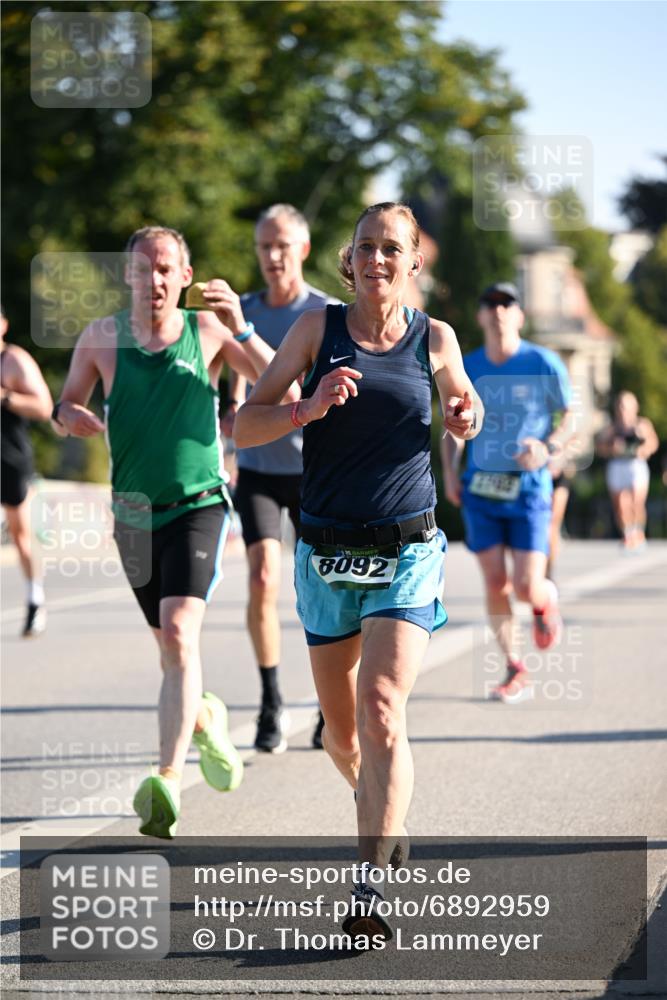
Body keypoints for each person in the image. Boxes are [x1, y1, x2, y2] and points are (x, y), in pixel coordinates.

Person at [234, 202, 481, 942]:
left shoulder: (434, 337)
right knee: (343, 741)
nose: (377, 259)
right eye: (365, 247)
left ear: (412, 264)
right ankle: (384, 807)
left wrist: (467, 415)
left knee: (380, 706)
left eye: (391, 249)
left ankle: (367, 886)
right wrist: (305, 408)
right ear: (349, 259)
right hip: (325, 553)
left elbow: (466, 405)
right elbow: (246, 423)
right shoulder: (318, 329)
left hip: (406, 550)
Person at [51, 226, 287, 838]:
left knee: (180, 633)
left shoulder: (206, 332)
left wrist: (241, 327)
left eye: (165, 269)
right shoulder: (100, 338)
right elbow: (64, 404)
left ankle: (167, 780)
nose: (153, 280)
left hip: (198, 505)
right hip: (131, 514)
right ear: (126, 275)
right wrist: (67, 417)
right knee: (170, 651)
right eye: (142, 268)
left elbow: (280, 382)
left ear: (184, 277)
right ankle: (204, 720)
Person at [224, 204, 339, 754]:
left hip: (315, 470)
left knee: (324, 590)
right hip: (259, 472)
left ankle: (328, 702)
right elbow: (224, 378)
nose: (272, 257)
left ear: (304, 250)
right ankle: (272, 700)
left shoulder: (326, 313)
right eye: (264, 247)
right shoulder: (239, 311)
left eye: (283, 246)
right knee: (263, 579)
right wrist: (225, 411)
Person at [442, 282, 573, 705]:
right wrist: (449, 471)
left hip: (530, 490)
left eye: (507, 304)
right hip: (480, 487)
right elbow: (452, 423)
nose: (498, 310)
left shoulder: (543, 362)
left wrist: (547, 447)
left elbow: (571, 418)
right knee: (495, 581)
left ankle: (544, 600)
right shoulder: (469, 365)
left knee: (523, 585)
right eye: (489, 304)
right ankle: (515, 666)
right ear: (480, 316)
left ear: (519, 314)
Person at [1, 306, 53, 636]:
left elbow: (44, 406)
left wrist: (5, 397)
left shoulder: (14, 360)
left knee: (20, 535)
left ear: (3, 324)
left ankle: (35, 597)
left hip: (10, 458)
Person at [596, 391, 658, 550]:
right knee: (621, 504)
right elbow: (600, 448)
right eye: (621, 406)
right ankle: (628, 534)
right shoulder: (612, 428)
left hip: (636, 465)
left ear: (635, 407)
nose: (623, 410)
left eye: (627, 406)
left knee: (637, 501)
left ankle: (639, 533)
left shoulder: (642, 425)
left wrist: (643, 449)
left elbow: (653, 444)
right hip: (618, 465)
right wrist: (612, 448)